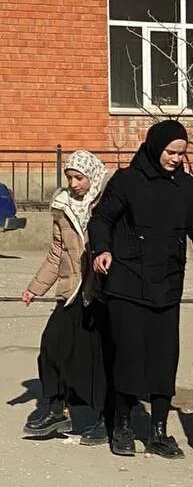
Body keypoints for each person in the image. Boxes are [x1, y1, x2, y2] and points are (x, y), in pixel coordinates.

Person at [88, 120, 193, 460]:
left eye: (182, 153)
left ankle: (158, 431)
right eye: (171, 152)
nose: (177, 159)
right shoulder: (127, 181)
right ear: (156, 148)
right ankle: (122, 426)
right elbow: (102, 220)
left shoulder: (188, 188)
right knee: (127, 357)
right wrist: (102, 249)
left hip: (167, 285)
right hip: (126, 281)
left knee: (164, 358)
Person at [21, 150, 111, 444]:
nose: (73, 184)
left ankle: (101, 418)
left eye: (79, 177)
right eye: (69, 177)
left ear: (92, 176)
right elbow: (56, 252)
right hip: (71, 289)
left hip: (100, 291)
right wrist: (36, 287)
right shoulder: (62, 208)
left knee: (95, 356)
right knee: (51, 344)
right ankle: (55, 407)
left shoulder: (107, 204)